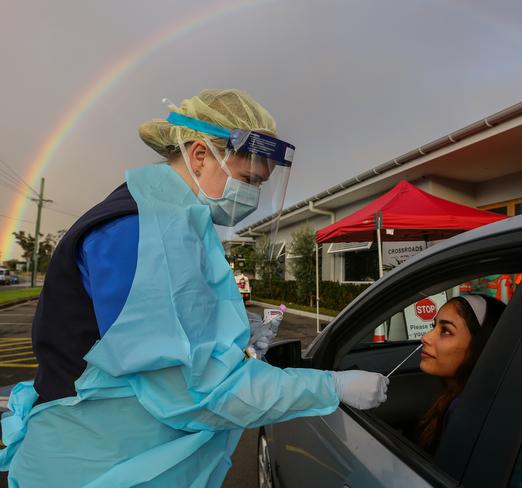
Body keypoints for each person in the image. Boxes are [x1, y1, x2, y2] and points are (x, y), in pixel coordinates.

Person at [0, 89, 389, 487]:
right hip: (94, 467)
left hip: (114, 459)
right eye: (248, 179)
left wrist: (226, 329)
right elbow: (196, 390)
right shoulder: (142, 231)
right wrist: (331, 386)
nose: (252, 196)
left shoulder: (166, 220)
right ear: (200, 154)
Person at [417, 294, 505, 452]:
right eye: (434, 326)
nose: (426, 337)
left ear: (479, 346)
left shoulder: (466, 410)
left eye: (445, 330)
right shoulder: (458, 398)